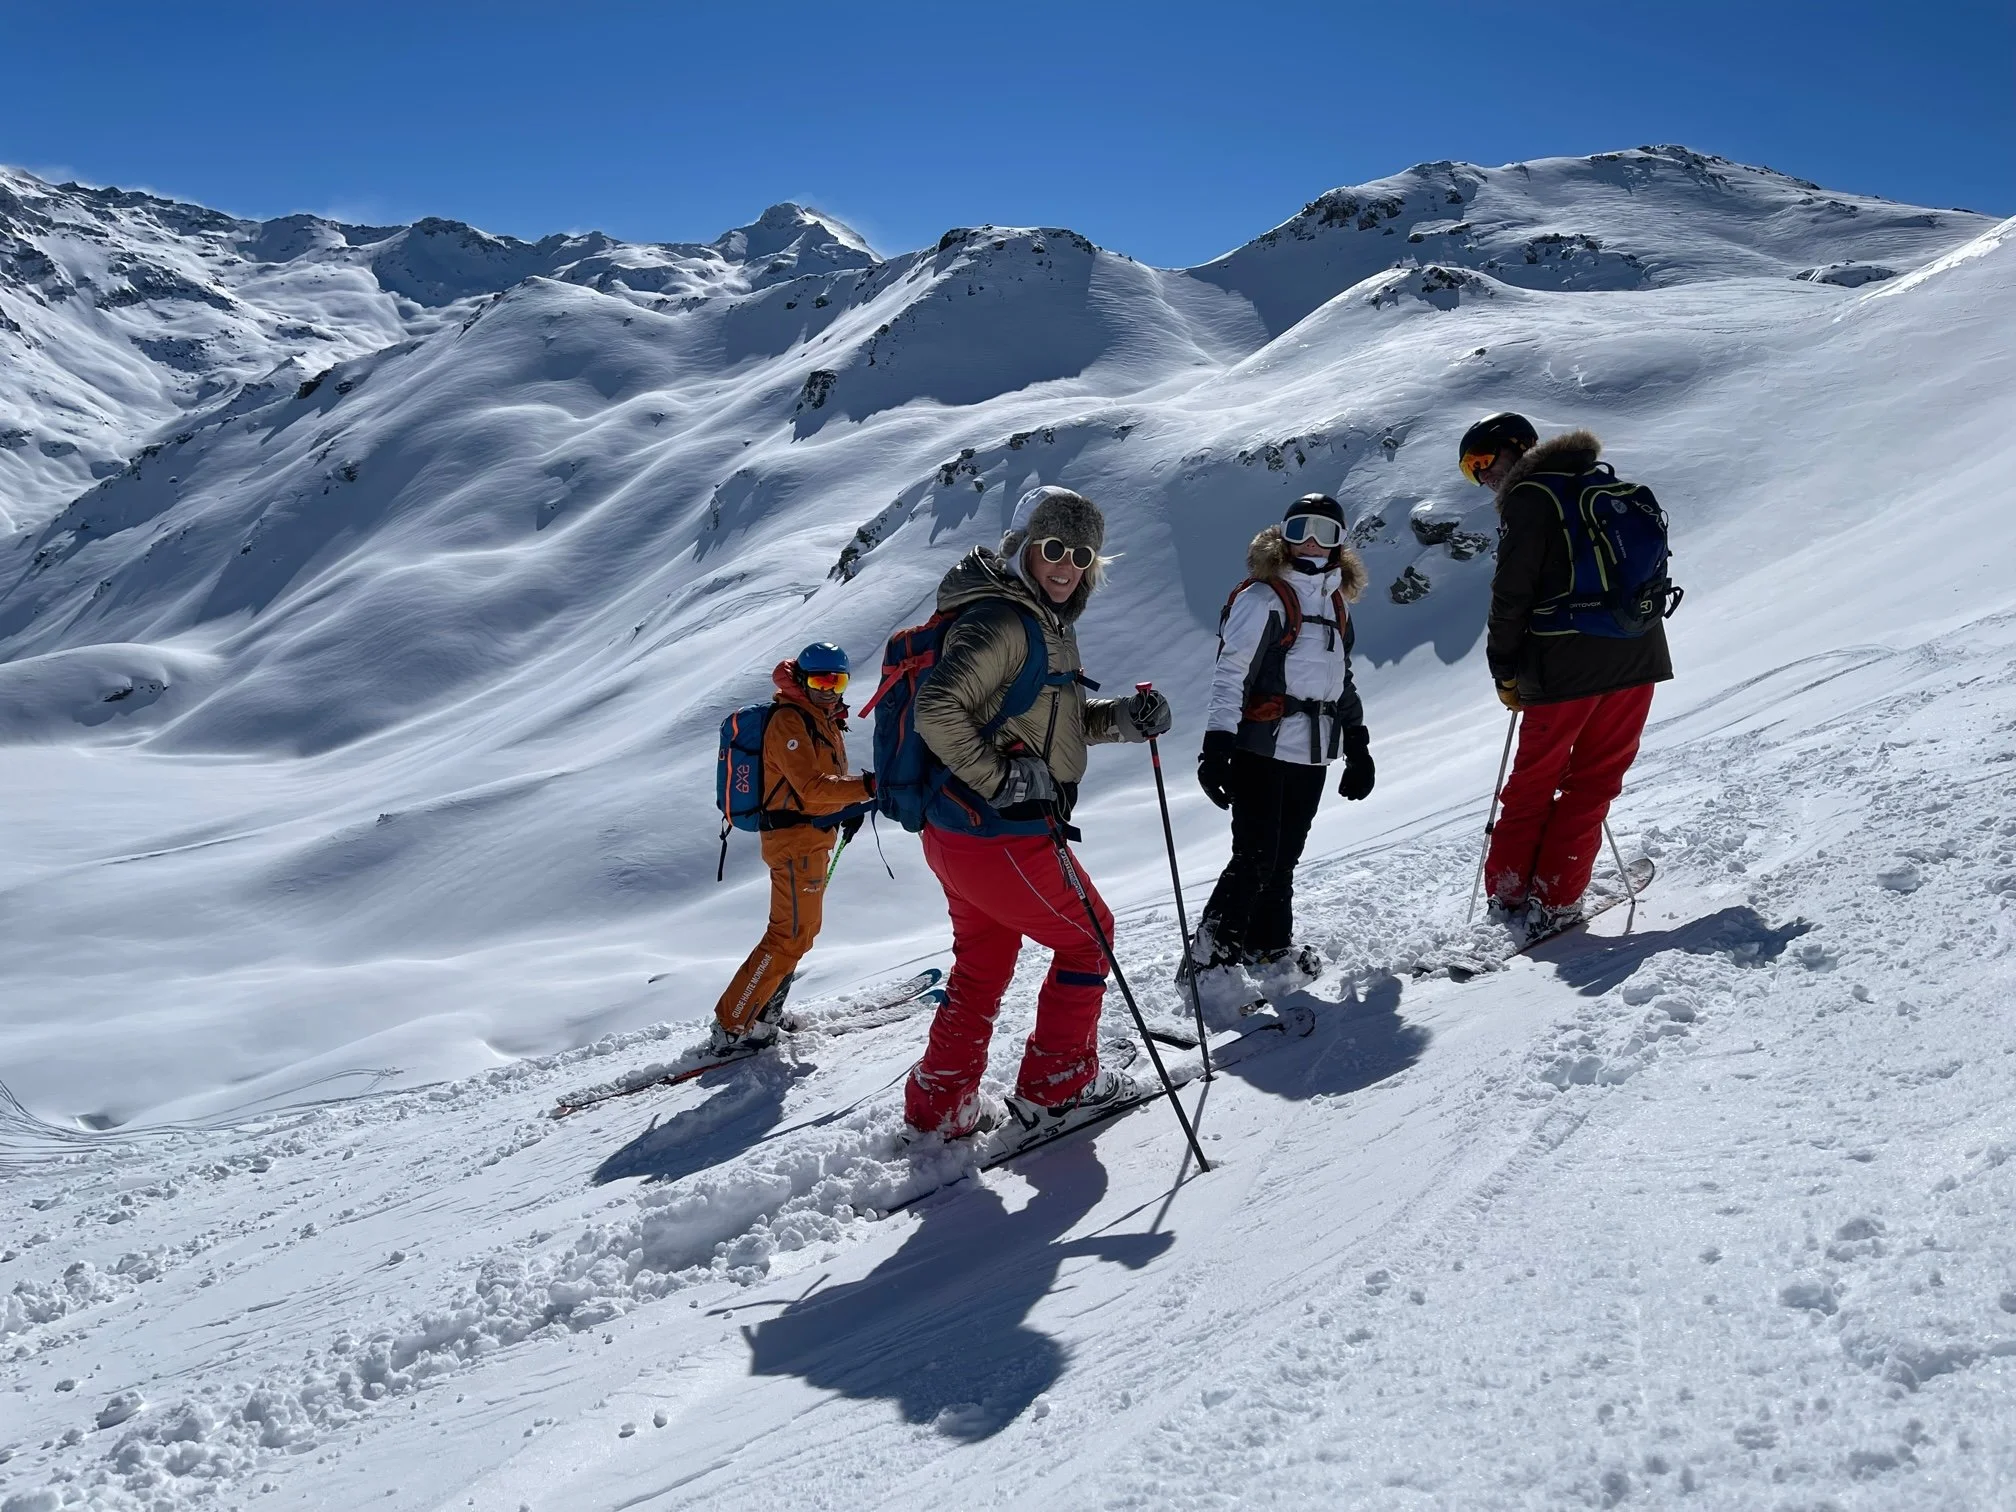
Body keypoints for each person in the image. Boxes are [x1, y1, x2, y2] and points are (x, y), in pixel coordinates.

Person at [904, 485, 1172, 1138]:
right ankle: (1057, 1088)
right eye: (1052, 548)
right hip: (999, 833)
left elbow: (1047, 723)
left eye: (1081, 554)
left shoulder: (1035, 619)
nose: (1065, 565)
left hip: (958, 833)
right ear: (1021, 545)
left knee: (982, 963)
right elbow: (937, 708)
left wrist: (1121, 721)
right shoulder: (1003, 620)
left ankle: (939, 1104)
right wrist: (999, 780)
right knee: (1090, 936)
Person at [1459, 412, 1673, 934]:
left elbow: (1511, 597)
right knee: (1595, 782)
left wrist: (1504, 671)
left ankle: (1510, 902)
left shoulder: (1529, 499)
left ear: (1518, 449)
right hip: (1635, 656)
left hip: (1561, 668)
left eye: (1484, 461)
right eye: (1471, 470)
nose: (1481, 475)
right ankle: (1558, 897)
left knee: (1532, 784)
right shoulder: (1603, 486)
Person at [1190, 494, 1373, 1023]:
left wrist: (1357, 745)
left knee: (1285, 856)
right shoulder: (1263, 599)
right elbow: (1230, 674)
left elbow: (1342, 681)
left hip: (1313, 752)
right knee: (1255, 856)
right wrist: (1217, 746)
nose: (1312, 539)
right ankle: (1208, 960)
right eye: (1301, 527)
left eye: (1325, 530)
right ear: (1283, 535)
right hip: (1261, 748)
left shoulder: (1337, 603)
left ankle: (1268, 945)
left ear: (1340, 542)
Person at [710, 643, 876, 1053]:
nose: (828, 689)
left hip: (813, 836)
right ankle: (733, 1023)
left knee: (801, 933)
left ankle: (763, 1012)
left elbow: (824, 786)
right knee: (787, 936)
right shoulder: (790, 721)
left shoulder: (825, 720)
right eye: (819, 680)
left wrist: (849, 804)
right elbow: (811, 788)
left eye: (836, 680)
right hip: (794, 839)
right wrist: (870, 788)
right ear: (802, 679)